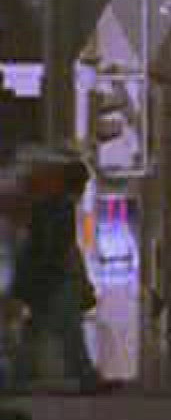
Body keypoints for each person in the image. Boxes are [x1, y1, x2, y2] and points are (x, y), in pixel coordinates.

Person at [11, 157, 109, 394]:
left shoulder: (46, 206)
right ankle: (84, 376)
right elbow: (57, 248)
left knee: (39, 330)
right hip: (54, 278)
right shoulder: (60, 207)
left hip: (44, 277)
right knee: (67, 329)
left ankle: (19, 378)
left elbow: (38, 246)